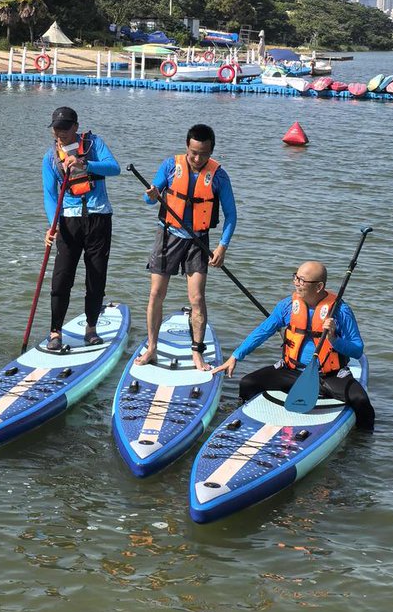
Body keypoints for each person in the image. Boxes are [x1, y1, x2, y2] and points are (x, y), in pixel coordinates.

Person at [213, 260, 375, 429]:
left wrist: (334, 340)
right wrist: (235, 356)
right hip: (291, 371)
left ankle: (363, 440)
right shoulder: (287, 306)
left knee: (361, 401)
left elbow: (357, 350)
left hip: (329, 376)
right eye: (296, 277)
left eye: (302, 280)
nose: (296, 283)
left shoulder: (341, 311)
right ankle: (244, 421)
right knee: (248, 383)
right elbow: (262, 331)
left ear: (319, 287)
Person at [135, 123, 236, 371]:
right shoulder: (171, 166)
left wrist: (222, 246)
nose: (198, 158)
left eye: (204, 153)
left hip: (198, 241)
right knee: (156, 293)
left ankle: (197, 353)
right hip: (168, 235)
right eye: (193, 152)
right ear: (186, 147)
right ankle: (152, 348)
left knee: (197, 298)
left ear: (212, 151)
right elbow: (149, 200)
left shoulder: (219, 176)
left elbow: (231, 215)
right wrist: (151, 195)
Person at [42, 106, 121, 350]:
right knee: (61, 278)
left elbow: (114, 168)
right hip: (68, 221)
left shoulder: (94, 144)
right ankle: (56, 332)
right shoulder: (50, 157)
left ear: (75, 127)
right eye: (56, 129)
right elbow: (49, 195)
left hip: (99, 218)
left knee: (95, 277)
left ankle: (91, 328)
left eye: (64, 128)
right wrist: (51, 225)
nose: (60, 133)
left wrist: (86, 164)